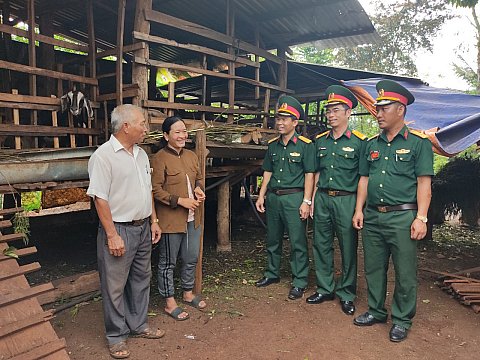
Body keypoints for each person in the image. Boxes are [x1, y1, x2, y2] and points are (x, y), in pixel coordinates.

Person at [352, 80, 434, 342]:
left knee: (404, 270)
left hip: (402, 217)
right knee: (374, 267)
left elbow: (424, 183)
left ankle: (401, 318)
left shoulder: (418, 143)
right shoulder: (371, 144)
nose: (378, 114)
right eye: (377, 109)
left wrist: (421, 217)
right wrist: (359, 210)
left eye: (384, 109)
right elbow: (363, 179)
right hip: (374, 215)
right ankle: (376, 310)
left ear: (400, 109)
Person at [87, 104, 164, 359]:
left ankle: (139, 325)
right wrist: (111, 235)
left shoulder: (141, 154)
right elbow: (100, 198)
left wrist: (153, 220)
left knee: (142, 279)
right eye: (142, 123)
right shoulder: (103, 156)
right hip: (119, 228)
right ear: (126, 126)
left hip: (142, 227)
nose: (146, 128)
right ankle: (116, 336)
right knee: (115, 286)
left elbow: (148, 190)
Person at [306, 85, 366, 315]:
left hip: (346, 200)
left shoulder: (360, 142)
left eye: (336, 110)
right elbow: (316, 173)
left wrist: (358, 208)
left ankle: (347, 293)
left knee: (348, 248)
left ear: (348, 112)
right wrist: (310, 200)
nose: (330, 115)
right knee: (320, 244)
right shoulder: (320, 141)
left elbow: (363, 178)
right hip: (322, 198)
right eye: (328, 110)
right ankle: (324, 288)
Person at [255, 95, 316, 300]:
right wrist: (261, 195)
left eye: (285, 119)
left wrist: (307, 201)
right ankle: (272, 273)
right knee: (273, 238)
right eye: (278, 118)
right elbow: (267, 172)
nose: (280, 123)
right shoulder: (273, 145)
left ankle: (299, 281)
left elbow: (310, 175)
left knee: (298, 241)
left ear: (295, 122)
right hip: (274, 198)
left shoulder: (306, 145)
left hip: (294, 198)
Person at [151, 116, 207, 321]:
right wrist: (180, 200)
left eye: (184, 131)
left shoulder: (191, 156)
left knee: (191, 257)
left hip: (193, 217)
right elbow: (155, 190)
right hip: (170, 220)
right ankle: (169, 302)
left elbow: (198, 178)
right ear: (166, 136)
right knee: (168, 262)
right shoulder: (159, 158)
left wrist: (199, 190)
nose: (183, 135)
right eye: (177, 132)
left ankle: (187, 292)